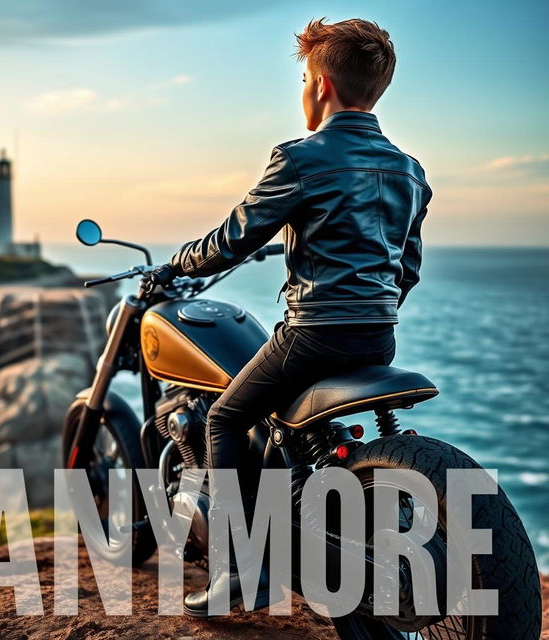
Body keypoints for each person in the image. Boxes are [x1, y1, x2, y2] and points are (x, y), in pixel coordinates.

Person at [150, 17, 433, 616]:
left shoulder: (302, 157)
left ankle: (239, 572)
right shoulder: (410, 170)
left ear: (322, 84)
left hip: (313, 333)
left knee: (224, 418)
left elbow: (235, 237)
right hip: (377, 337)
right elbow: (406, 265)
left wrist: (179, 263)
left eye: (305, 78)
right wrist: (371, 309)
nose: (303, 90)